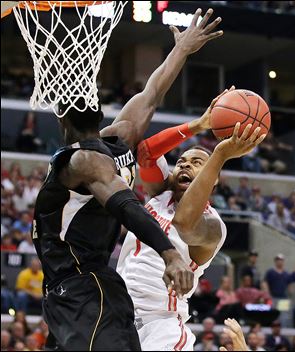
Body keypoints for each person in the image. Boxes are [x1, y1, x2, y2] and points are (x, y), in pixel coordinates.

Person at [31, 8, 223, 350]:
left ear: (60, 119)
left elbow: (125, 204)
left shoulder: (82, 162)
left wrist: (169, 253)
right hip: (78, 293)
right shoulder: (119, 142)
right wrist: (181, 50)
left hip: (85, 290)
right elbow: (151, 95)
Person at [117, 90, 266, 349]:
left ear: (213, 178)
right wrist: (198, 125)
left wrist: (219, 155)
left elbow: (184, 223)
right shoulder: (161, 194)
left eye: (197, 162)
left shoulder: (213, 226)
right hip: (117, 313)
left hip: (160, 325)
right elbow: (145, 153)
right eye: (182, 162)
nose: (185, 165)